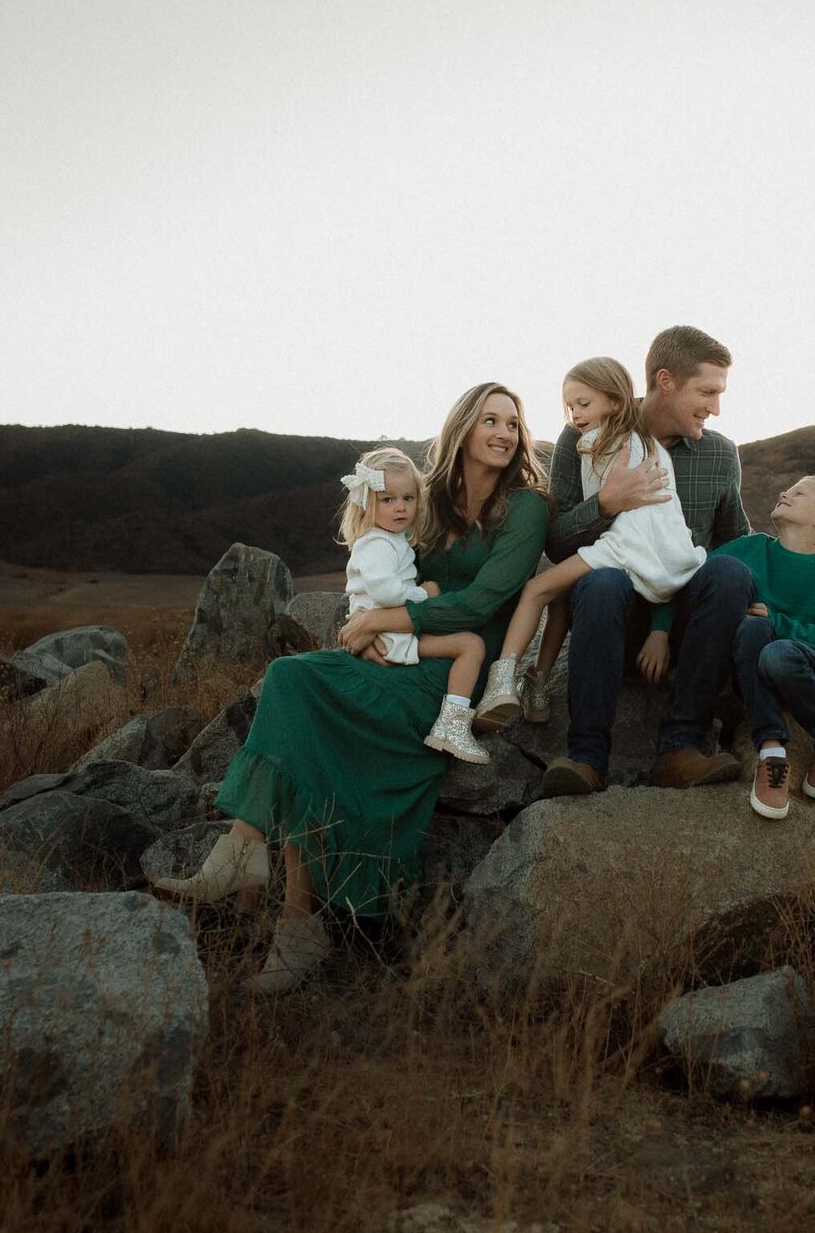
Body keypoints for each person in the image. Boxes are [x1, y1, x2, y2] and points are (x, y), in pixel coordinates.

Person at [149, 383, 549, 992]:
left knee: (315, 727)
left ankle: (292, 919)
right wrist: (366, 626)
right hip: (401, 648)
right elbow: (381, 567)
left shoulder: (525, 508)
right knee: (289, 678)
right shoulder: (429, 497)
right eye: (490, 420)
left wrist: (381, 622)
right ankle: (243, 851)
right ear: (463, 428)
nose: (503, 432)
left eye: (513, 424)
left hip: (447, 671)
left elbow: (483, 601)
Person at [540, 325, 753, 796]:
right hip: (611, 614)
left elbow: (736, 541)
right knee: (601, 583)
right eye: (708, 391)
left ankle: (680, 749)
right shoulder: (585, 433)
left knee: (733, 572)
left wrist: (770, 593)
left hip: (681, 626)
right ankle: (586, 758)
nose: (716, 407)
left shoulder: (719, 453)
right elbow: (554, 543)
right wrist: (606, 504)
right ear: (665, 381)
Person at [470, 356, 705, 732]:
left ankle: (501, 683)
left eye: (584, 404)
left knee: (536, 589)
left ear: (614, 401)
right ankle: (538, 683)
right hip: (658, 551)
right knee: (562, 593)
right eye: (569, 406)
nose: (575, 415)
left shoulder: (596, 440)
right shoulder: (649, 444)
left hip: (625, 546)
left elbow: (603, 509)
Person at [338, 444, 489, 764]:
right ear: (366, 502)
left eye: (408, 499)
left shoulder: (390, 539)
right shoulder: (377, 543)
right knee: (471, 645)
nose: (400, 508)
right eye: (388, 500)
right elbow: (385, 592)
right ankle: (453, 725)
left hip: (384, 629)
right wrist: (425, 593)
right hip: (388, 636)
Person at [722, 474, 815, 820]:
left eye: (798, 493)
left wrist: (780, 623)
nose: (784, 492)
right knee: (754, 631)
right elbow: (692, 576)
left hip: (811, 670)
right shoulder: (750, 548)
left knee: (777, 651)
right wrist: (660, 630)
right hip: (752, 670)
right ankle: (772, 755)